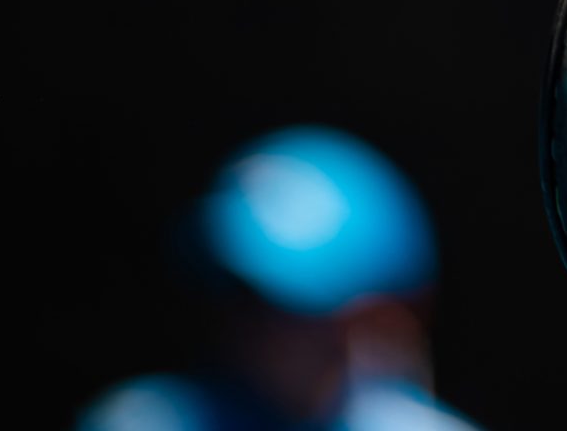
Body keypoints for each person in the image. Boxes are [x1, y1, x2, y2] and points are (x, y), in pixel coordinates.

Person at [73, 127, 480, 431]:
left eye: (283, 302)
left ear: (377, 319)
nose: (250, 328)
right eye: (236, 293)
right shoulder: (143, 421)